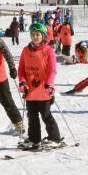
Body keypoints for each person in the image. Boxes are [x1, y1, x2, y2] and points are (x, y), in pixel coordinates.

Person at [17, 22, 61, 150]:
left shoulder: (48, 51)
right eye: (33, 34)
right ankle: (34, 139)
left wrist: (49, 83)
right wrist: (22, 81)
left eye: (37, 34)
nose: (35, 37)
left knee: (46, 115)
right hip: (30, 90)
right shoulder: (26, 50)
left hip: (44, 89)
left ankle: (55, 138)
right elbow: (21, 69)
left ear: (43, 36)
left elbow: (52, 70)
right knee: (32, 116)